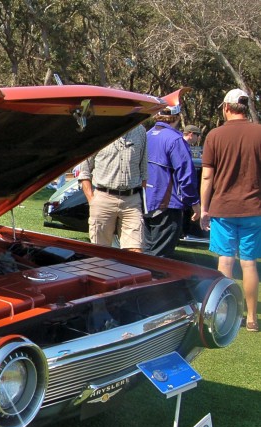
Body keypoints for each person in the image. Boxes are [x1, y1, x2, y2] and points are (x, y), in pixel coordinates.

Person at [200, 88, 261, 332]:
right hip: (253, 209)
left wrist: (204, 208)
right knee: (249, 264)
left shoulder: (214, 136)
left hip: (223, 208)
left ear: (226, 108)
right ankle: (251, 318)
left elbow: (207, 176)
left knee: (225, 261)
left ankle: (225, 312)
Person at [77, 124, 148, 251]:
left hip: (132, 201)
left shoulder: (141, 131)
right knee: (100, 252)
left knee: (135, 251)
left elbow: (144, 172)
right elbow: (84, 171)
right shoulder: (98, 130)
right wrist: (92, 200)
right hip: (103, 198)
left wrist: (140, 198)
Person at [143, 106, 200, 258]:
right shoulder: (175, 140)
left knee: (146, 254)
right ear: (177, 117)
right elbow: (186, 175)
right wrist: (195, 204)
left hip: (146, 201)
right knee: (160, 258)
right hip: (167, 204)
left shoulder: (147, 135)